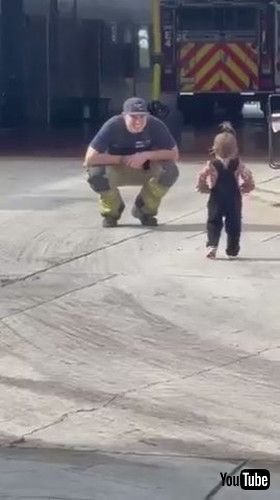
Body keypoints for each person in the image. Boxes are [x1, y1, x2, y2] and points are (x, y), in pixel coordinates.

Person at [83, 97, 179, 227]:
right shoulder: (112, 126)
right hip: (117, 168)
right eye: (133, 117)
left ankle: (144, 209)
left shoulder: (155, 125)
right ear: (124, 116)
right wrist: (123, 159)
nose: (138, 121)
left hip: (144, 167)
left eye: (142, 116)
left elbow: (174, 154)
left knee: (170, 171)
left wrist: (146, 155)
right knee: (96, 175)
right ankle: (112, 211)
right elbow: (89, 158)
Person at [196, 122, 255, 259]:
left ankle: (212, 245)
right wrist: (247, 186)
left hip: (216, 197)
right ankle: (232, 249)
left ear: (214, 149)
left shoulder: (212, 164)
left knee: (213, 222)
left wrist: (203, 187)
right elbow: (247, 175)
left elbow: (202, 175)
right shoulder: (238, 163)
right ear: (235, 149)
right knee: (234, 223)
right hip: (234, 198)